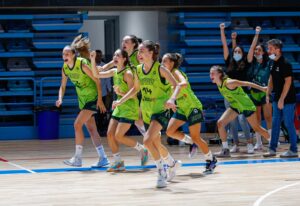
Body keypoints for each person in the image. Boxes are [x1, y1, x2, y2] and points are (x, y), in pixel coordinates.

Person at [113, 40, 182, 188]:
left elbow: (176, 85)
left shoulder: (161, 69)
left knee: (146, 141)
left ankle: (161, 171)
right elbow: (135, 89)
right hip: (146, 110)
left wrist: (172, 98)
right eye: (138, 51)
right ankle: (172, 163)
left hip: (161, 109)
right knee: (155, 142)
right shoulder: (138, 69)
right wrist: (121, 100)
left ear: (151, 53)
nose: (139, 54)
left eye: (143, 51)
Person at [90, 49, 149, 171]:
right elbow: (96, 74)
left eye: (118, 55)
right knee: (110, 134)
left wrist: (119, 93)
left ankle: (142, 149)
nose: (115, 57)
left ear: (124, 59)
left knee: (118, 136)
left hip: (130, 107)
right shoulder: (114, 71)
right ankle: (118, 162)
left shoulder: (128, 73)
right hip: (119, 106)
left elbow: (133, 93)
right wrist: (92, 59)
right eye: (114, 55)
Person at [162, 53, 217, 174]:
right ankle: (191, 142)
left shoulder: (176, 72)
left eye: (165, 61)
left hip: (192, 106)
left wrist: (173, 96)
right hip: (181, 107)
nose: (162, 64)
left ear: (171, 63)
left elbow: (183, 83)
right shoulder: (167, 76)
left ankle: (210, 159)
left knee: (196, 136)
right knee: (170, 131)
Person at [56, 45, 108, 167]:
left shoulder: (82, 65)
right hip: (83, 99)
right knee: (91, 129)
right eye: (63, 54)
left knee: (77, 124)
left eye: (67, 54)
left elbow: (97, 80)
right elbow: (62, 86)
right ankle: (103, 158)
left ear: (74, 55)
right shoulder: (65, 68)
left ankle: (78, 158)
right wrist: (60, 98)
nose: (65, 56)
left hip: (92, 97)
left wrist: (100, 100)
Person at [210, 65, 270, 157]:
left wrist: (263, 89)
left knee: (256, 128)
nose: (211, 75)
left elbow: (247, 83)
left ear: (220, 74)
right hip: (236, 106)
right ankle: (225, 150)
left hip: (246, 105)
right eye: (210, 73)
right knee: (220, 123)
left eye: (213, 73)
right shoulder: (219, 84)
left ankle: (273, 143)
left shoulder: (229, 82)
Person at [220, 23, 253, 154]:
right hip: (229, 96)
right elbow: (224, 44)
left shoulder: (244, 64)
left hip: (242, 96)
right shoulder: (229, 61)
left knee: (242, 120)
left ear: (242, 54)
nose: (236, 53)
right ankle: (236, 144)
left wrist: (235, 40)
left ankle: (250, 143)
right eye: (235, 51)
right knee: (232, 121)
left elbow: (242, 50)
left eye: (239, 52)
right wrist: (222, 30)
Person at [263, 39, 298, 158]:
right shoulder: (272, 62)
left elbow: (288, 82)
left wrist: (282, 99)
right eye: (268, 48)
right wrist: (267, 93)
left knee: (288, 123)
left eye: (271, 48)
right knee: (275, 123)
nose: (269, 51)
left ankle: (293, 150)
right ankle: (272, 149)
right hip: (276, 98)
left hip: (288, 99)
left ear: (278, 50)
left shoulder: (285, 63)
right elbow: (271, 79)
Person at [247, 26, 272, 150]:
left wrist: (268, 91)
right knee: (257, 119)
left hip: (265, 92)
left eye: (259, 50)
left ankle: (271, 140)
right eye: (255, 50)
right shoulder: (251, 62)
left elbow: (270, 78)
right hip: (253, 93)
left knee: (268, 117)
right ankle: (259, 142)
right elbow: (251, 49)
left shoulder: (268, 64)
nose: (256, 51)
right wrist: (256, 34)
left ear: (263, 52)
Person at [95, 50, 113, 135]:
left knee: (102, 112)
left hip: (103, 94)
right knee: (95, 113)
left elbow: (107, 79)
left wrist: (109, 90)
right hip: (94, 94)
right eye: (97, 55)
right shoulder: (91, 66)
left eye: (100, 55)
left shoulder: (104, 66)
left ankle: (101, 129)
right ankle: (96, 129)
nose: (98, 57)